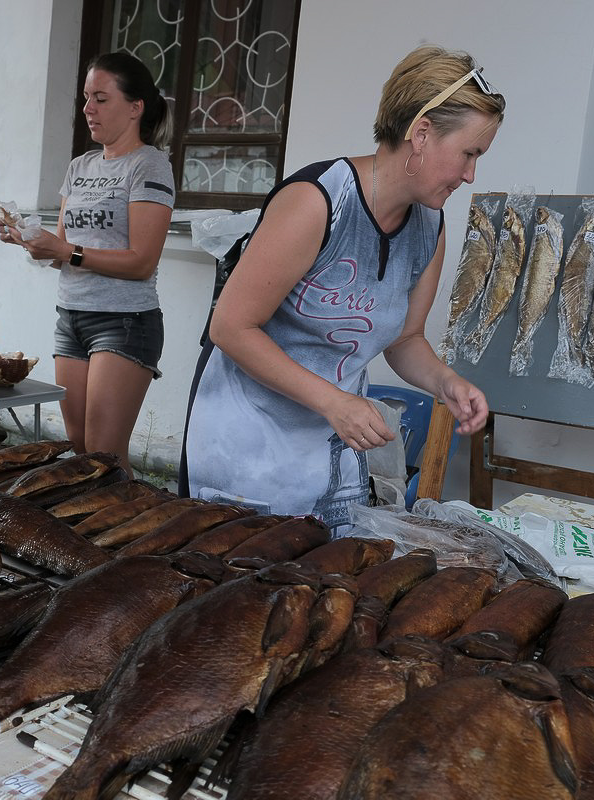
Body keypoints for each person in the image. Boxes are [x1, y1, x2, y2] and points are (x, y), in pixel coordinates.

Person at [180, 45, 502, 528]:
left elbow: (405, 339)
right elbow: (231, 327)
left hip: (329, 452)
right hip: (242, 449)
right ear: (420, 134)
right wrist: (334, 401)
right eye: (468, 153)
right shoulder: (317, 202)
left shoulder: (429, 225)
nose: (470, 173)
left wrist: (446, 382)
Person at [0, 52, 175, 476]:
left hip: (124, 321)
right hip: (71, 317)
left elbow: (141, 262)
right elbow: (64, 249)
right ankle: (94, 534)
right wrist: (28, 240)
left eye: (101, 98)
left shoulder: (149, 165)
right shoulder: (80, 167)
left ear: (135, 108)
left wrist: (65, 252)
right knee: (79, 448)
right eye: (85, 98)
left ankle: (123, 540)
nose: (88, 109)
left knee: (104, 454)